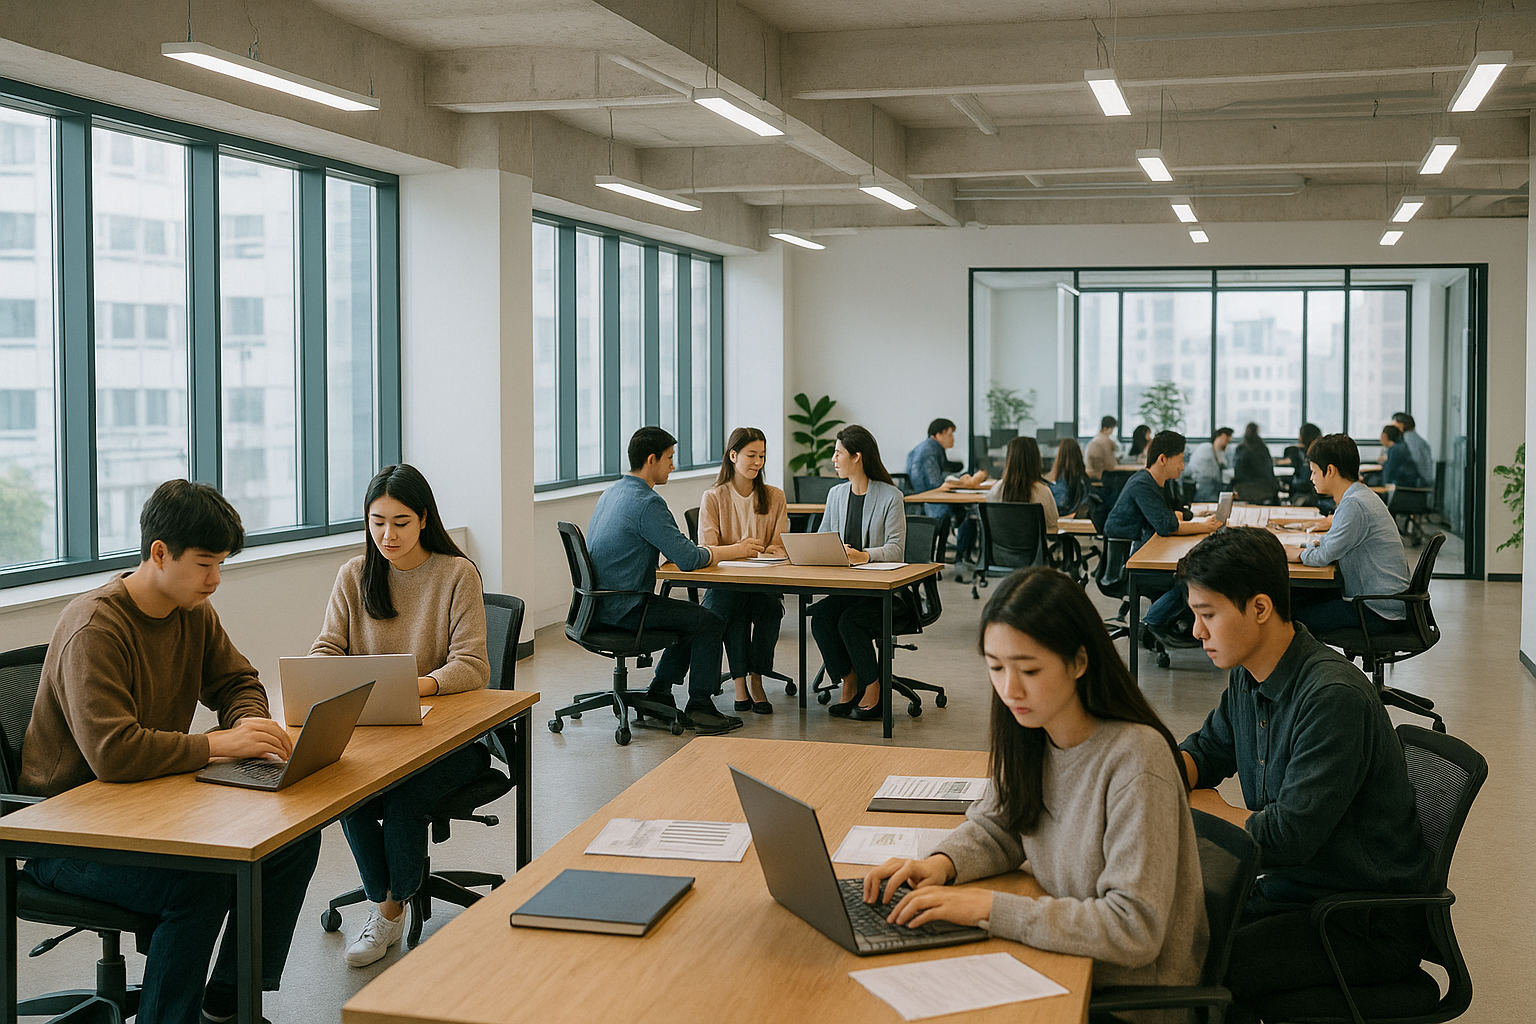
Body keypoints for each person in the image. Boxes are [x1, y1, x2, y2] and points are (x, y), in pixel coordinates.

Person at [20, 480, 320, 1024]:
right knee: (201, 879)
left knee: (292, 841)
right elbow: (115, 754)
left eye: (222, 563)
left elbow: (237, 681)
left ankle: (227, 1004)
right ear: (159, 553)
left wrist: (250, 723)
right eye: (206, 563)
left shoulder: (192, 611)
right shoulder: (95, 627)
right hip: (66, 835)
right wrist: (216, 744)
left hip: (153, 809)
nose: (216, 580)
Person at [862, 567, 1208, 996]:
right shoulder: (1032, 732)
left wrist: (989, 907)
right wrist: (940, 865)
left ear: (1079, 661)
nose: (1010, 690)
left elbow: (1133, 929)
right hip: (1060, 959)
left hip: (1126, 996)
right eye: (996, 668)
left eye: (1028, 670)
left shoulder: (1135, 758)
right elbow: (1001, 827)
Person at [1175, 527, 1434, 1023]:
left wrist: (1211, 811)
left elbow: (1287, 837)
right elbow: (1206, 751)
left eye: (1207, 615)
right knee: (1166, 933)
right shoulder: (1249, 675)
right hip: (1293, 891)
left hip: (1356, 919)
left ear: (1260, 608)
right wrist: (1149, 773)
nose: (1196, 632)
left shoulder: (1330, 697)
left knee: (1203, 969)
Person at [311, 464, 492, 967]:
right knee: (346, 789)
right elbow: (327, 647)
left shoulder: (456, 574)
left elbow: (473, 665)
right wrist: (325, 676)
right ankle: (386, 894)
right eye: (377, 522)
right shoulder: (354, 574)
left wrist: (422, 684)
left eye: (401, 522)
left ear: (424, 519)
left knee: (405, 794)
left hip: (451, 740)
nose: (387, 535)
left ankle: (388, 912)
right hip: (376, 734)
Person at [586, 426, 764, 735]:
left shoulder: (613, 491)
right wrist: (737, 549)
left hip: (598, 606)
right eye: (669, 458)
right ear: (651, 459)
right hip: (626, 609)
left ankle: (660, 690)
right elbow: (689, 559)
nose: (672, 465)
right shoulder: (647, 503)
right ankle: (700, 706)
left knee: (689, 619)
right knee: (707, 621)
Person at [810, 425, 907, 721]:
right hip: (847, 589)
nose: (833, 459)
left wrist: (863, 556)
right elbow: (823, 538)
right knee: (822, 618)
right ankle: (849, 680)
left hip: (883, 594)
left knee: (851, 622)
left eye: (838, 453)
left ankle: (874, 688)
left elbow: (896, 549)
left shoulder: (891, 496)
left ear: (857, 457)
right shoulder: (836, 494)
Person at [698, 427, 790, 715]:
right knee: (731, 606)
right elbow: (708, 548)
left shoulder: (775, 497)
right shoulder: (713, 497)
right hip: (726, 583)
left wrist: (757, 553)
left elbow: (781, 546)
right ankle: (740, 683)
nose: (757, 462)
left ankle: (757, 679)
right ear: (733, 455)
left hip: (763, 580)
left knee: (770, 609)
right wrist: (740, 550)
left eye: (762, 456)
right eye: (751, 455)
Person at [1286, 433, 1410, 635]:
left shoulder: (1354, 504)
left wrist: (1296, 554)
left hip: (1375, 610)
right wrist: (1307, 549)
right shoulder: (1360, 495)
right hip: (1383, 602)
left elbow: (1324, 556)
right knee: (1299, 598)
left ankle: (1311, 667)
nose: (1311, 478)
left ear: (1330, 470)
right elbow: (1331, 545)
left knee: (1290, 615)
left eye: (1314, 472)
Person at [1104, 430, 1220, 641]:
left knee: (1191, 571)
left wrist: (1185, 519)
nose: (1183, 466)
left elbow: (1171, 515)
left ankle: (1166, 623)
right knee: (1190, 577)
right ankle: (1151, 624)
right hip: (1128, 565)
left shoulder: (1157, 483)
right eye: (1181, 460)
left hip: (1144, 553)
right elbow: (1167, 525)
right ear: (1163, 459)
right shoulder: (1142, 484)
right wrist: (1205, 526)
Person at [905, 417, 985, 567]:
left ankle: (961, 557)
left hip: (921, 498)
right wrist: (965, 481)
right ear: (938, 435)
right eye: (950, 434)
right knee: (971, 513)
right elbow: (936, 483)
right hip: (928, 501)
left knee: (966, 510)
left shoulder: (927, 447)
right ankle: (961, 557)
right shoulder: (930, 450)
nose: (953, 438)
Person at [987, 435, 1058, 531]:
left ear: (1009, 459)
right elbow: (1053, 526)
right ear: (1036, 460)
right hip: (1035, 546)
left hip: (1002, 546)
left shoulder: (995, 491)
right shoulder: (1043, 492)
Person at [1184, 426, 1234, 502]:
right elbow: (1209, 474)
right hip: (1204, 490)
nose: (1227, 444)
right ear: (1223, 436)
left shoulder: (1218, 452)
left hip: (1209, 489)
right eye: (1227, 441)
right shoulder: (1206, 449)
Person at [1230, 422, 1277, 502]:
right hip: (1267, 488)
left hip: (1247, 489)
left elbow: (1238, 472)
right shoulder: (1263, 447)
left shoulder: (1241, 448)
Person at [1046, 436, 1091, 516]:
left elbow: (1059, 506)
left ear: (1060, 456)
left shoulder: (1062, 481)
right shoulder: (1083, 478)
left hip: (1063, 518)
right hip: (1074, 517)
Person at [1283, 423, 1322, 505]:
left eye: (1301, 435)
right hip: (1313, 494)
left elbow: (1304, 481)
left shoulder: (1306, 454)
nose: (1299, 438)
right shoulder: (1318, 450)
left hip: (1305, 494)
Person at [1392, 411, 1434, 488]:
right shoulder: (1417, 439)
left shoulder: (1409, 440)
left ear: (1401, 426)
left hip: (1415, 481)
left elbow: (1416, 459)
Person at [1084, 415, 1121, 479]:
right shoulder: (1105, 441)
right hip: (1099, 475)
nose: (1112, 432)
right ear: (1105, 428)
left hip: (1089, 474)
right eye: (1112, 429)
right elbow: (1111, 465)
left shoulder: (1095, 440)